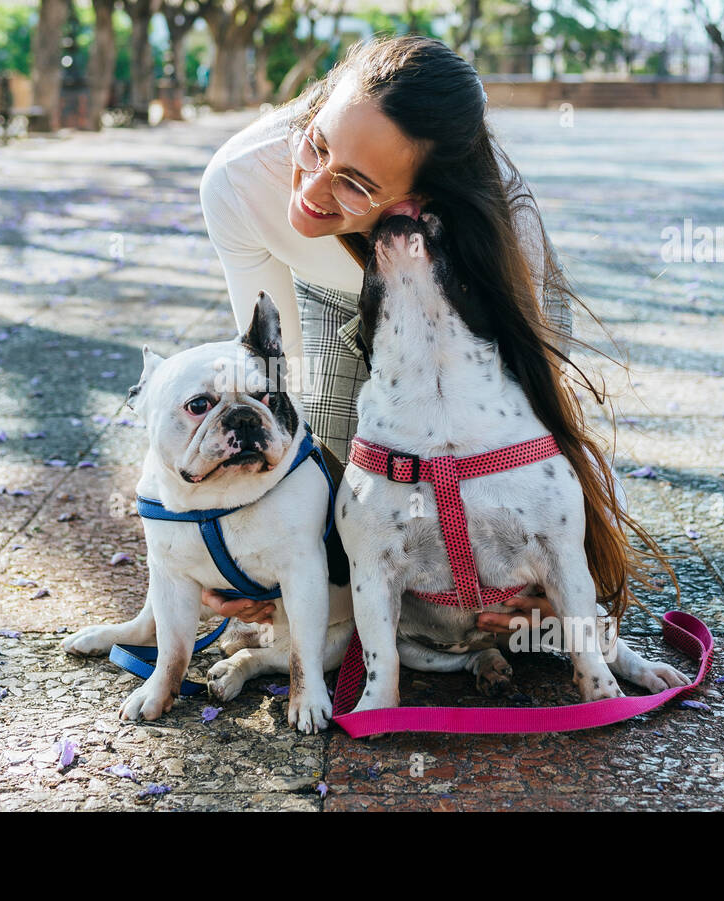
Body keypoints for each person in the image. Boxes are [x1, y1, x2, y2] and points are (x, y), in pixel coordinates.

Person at [197, 34, 643, 636]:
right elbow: (279, 386)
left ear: (425, 197)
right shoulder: (239, 180)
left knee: (488, 477)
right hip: (328, 293)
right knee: (353, 477)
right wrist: (239, 552)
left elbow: (529, 429)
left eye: (356, 183)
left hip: (473, 300)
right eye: (318, 144)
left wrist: (558, 591)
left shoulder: (499, 222)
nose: (311, 189)